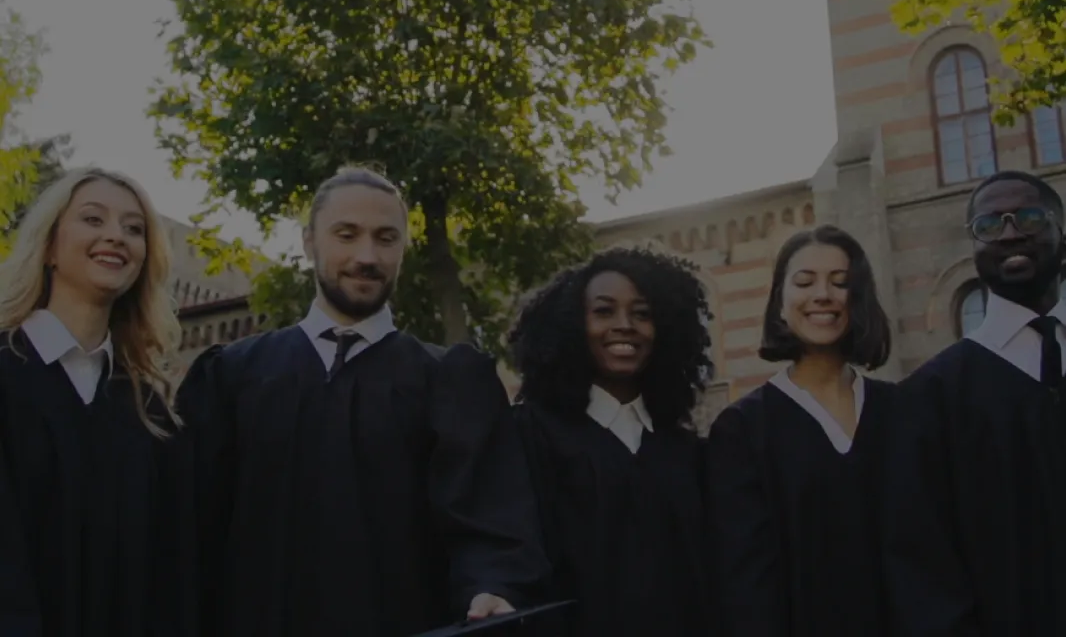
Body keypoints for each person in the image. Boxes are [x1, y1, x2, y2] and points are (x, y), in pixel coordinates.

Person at [178, 165, 550, 637]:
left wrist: (492, 587)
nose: (367, 256)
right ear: (310, 241)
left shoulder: (450, 384)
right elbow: (190, 535)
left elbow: (491, 525)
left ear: (404, 250)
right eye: (346, 235)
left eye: (386, 238)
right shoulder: (232, 377)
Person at [0, 166, 194, 637]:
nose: (115, 237)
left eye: (133, 229)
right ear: (49, 246)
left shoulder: (148, 413)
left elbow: (166, 576)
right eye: (93, 219)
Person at [884, 170, 1066, 636]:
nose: (1009, 233)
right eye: (988, 225)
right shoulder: (932, 399)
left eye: (1028, 216)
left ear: (1060, 228)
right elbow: (924, 566)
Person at [507, 246, 713, 637]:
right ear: (571, 325)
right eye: (603, 311)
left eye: (642, 314)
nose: (625, 325)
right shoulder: (531, 436)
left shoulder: (684, 451)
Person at [705, 225, 894, 637]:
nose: (823, 295)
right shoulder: (742, 432)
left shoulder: (903, 412)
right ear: (780, 303)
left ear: (858, 297)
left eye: (840, 282)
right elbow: (746, 586)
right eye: (804, 282)